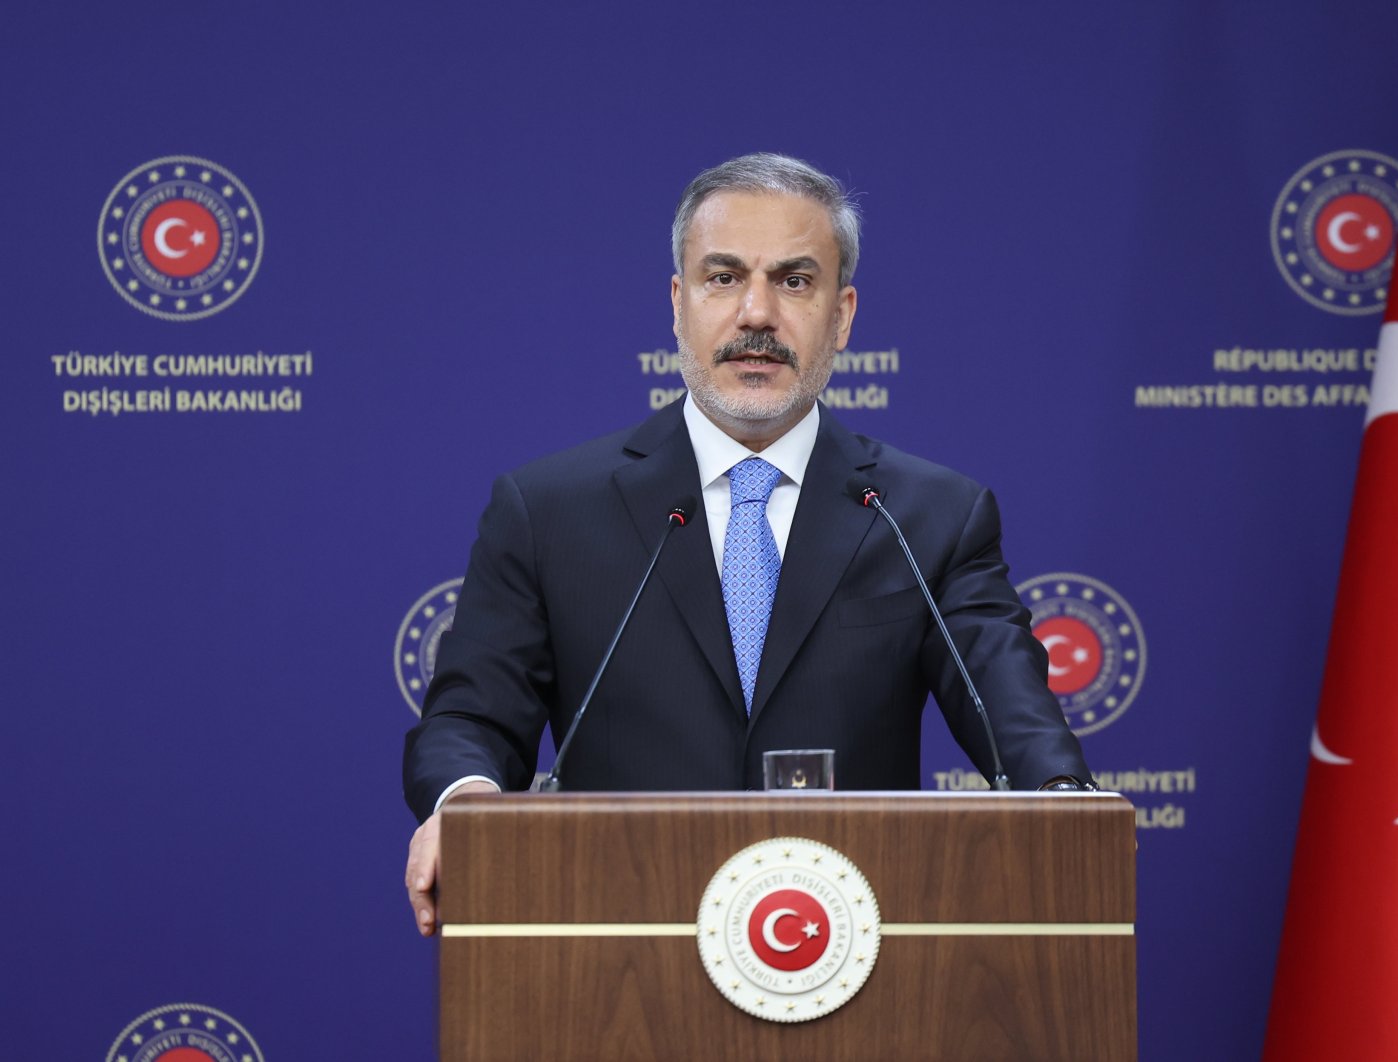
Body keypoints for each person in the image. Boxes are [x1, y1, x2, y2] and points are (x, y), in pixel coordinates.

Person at [404, 153, 1092, 936]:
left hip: (852, 953)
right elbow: (469, 720)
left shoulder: (929, 515)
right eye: (723, 278)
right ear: (678, 304)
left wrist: (1067, 808)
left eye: (795, 281)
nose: (756, 313)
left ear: (843, 315)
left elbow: (1012, 714)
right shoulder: (549, 509)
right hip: (615, 952)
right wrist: (467, 805)